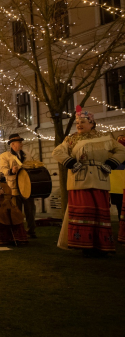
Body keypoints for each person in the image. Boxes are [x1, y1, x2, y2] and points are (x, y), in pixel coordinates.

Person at [52, 106, 125, 256]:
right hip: (80, 181)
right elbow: (57, 152)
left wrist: (110, 164)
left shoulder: (105, 138)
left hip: (99, 179)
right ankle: (83, 244)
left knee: (99, 212)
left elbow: (122, 150)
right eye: (77, 122)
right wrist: (71, 163)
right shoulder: (71, 139)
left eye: (83, 121)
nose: (79, 124)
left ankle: (101, 244)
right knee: (83, 211)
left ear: (92, 123)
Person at [0, 133, 37, 238]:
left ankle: (31, 231)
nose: (21, 144)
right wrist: (11, 170)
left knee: (30, 209)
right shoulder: (5, 156)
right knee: (16, 211)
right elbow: (3, 170)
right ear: (12, 144)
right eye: (19, 142)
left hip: (27, 186)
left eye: (21, 141)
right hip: (14, 187)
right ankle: (18, 232)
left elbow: (32, 164)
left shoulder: (27, 154)